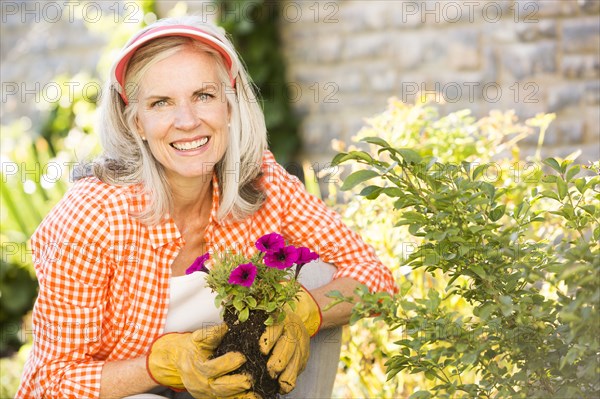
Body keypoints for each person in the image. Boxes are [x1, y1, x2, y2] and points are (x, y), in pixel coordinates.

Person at [16, 15, 397, 399]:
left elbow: (375, 278)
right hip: (129, 392)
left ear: (229, 106)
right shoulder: (91, 217)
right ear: (136, 124)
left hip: (228, 387)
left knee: (314, 278)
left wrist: (306, 312)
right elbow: (48, 384)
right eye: (161, 102)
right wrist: (158, 366)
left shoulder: (258, 179)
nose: (187, 121)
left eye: (203, 96)